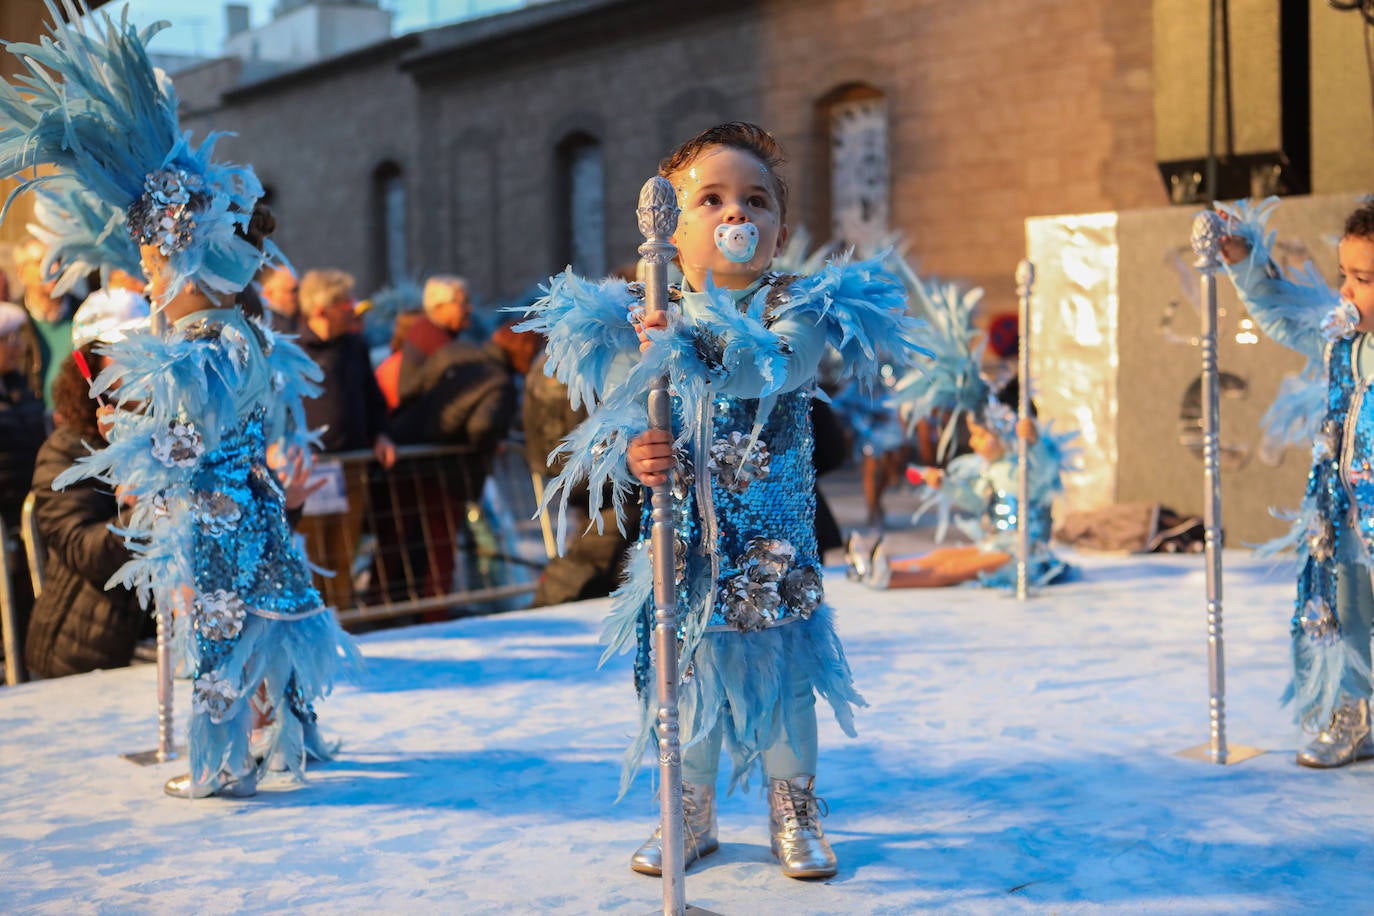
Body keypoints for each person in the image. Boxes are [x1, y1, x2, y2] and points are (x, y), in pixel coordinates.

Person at [521, 122, 928, 879]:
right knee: (683, 679)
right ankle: (691, 810)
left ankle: (793, 806)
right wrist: (640, 450)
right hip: (681, 548)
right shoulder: (639, 316)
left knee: (786, 687)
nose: (737, 216)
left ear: (778, 228)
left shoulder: (796, 306)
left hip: (774, 546)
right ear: (671, 227)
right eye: (712, 199)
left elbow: (773, 368)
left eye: (757, 200)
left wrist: (677, 347)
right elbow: (626, 403)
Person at [2, 6, 358, 797]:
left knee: (220, 631)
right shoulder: (241, 335)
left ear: (179, 254)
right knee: (267, 617)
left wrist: (138, 460)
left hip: (211, 518)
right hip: (252, 505)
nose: (146, 273)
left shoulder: (200, 346)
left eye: (152, 257)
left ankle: (228, 762)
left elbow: (188, 440)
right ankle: (284, 738)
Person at [1216, 195, 1374, 769]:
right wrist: (1241, 259)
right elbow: (1283, 311)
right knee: (1346, 614)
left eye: (1365, 278)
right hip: (1345, 518)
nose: (1348, 292)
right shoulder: (1341, 339)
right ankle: (1354, 714)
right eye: (1344, 276)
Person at [24, 296, 150, 679]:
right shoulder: (65, 450)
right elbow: (84, 549)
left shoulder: (172, 432)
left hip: (155, 646)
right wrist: (147, 514)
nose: (140, 363)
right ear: (90, 367)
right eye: (122, 352)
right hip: (83, 654)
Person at [848, 404, 1073, 589]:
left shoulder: (1026, 467)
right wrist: (946, 485)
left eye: (980, 435)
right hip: (997, 544)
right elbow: (976, 502)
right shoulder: (991, 469)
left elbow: (1046, 471)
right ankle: (879, 566)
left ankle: (891, 579)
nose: (973, 442)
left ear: (1004, 435)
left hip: (1024, 554)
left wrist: (1033, 442)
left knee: (952, 569)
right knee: (942, 555)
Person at [12, 238, 78, 413]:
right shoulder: (12, 325)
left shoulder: (86, 312)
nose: (54, 268)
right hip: (28, 427)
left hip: (78, 427)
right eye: (41, 262)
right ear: (21, 273)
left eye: (57, 260)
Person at [396, 274, 471, 406]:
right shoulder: (431, 337)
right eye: (463, 303)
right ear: (439, 307)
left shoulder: (434, 331)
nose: (470, 308)